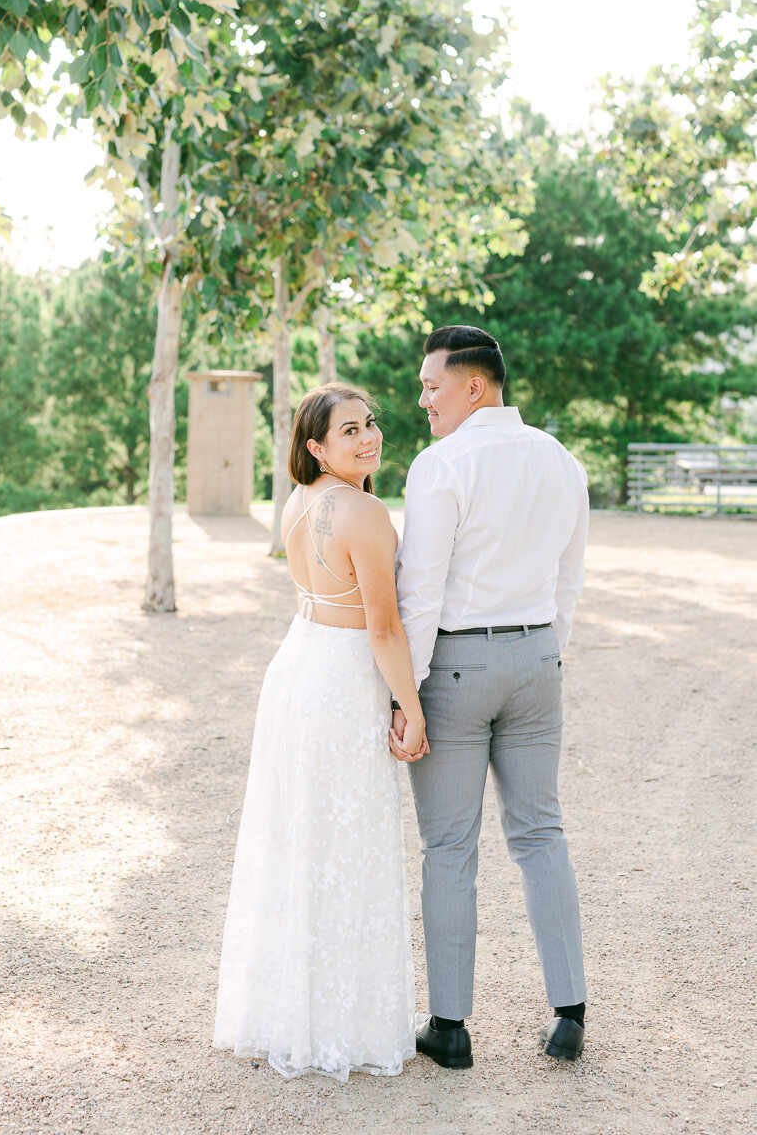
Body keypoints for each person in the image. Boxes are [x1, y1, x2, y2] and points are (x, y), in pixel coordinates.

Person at [213, 383, 428, 1083]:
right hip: (339, 681)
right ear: (315, 446)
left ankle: (287, 1012)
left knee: (299, 841)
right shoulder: (364, 513)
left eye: (370, 425)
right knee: (347, 842)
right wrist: (412, 707)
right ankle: (337, 1024)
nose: (368, 439)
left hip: (297, 667)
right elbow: (385, 627)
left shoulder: (298, 504)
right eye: (348, 432)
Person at [394, 325, 589, 1068]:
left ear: (473, 386)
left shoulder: (442, 465)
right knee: (542, 833)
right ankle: (569, 1014)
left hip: (456, 668)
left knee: (449, 848)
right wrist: (546, 650)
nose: (423, 401)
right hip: (539, 656)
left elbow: (421, 593)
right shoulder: (562, 461)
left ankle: (450, 1030)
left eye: (432, 386)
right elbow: (569, 579)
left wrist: (404, 694)